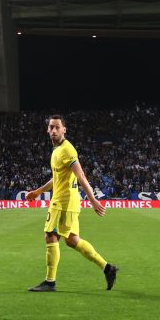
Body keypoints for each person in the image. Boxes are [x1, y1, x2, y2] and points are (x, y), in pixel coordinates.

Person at [25, 115, 118, 292]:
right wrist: (38, 191)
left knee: (50, 235)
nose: (53, 130)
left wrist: (92, 200)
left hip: (63, 202)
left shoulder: (67, 150)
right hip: (67, 201)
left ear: (64, 130)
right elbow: (56, 178)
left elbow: (81, 175)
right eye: (51, 127)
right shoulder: (57, 151)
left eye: (57, 127)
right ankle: (107, 268)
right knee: (72, 240)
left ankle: (50, 282)